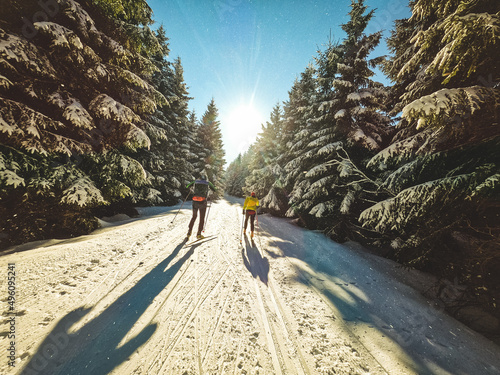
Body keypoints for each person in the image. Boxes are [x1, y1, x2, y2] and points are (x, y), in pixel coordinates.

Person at [186, 175, 216, 240]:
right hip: (203, 202)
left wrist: (191, 187)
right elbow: (215, 189)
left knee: (194, 217)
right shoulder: (208, 182)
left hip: (195, 201)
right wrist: (213, 189)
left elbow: (187, 186)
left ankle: (189, 232)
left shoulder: (196, 181)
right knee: (202, 218)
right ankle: (199, 234)